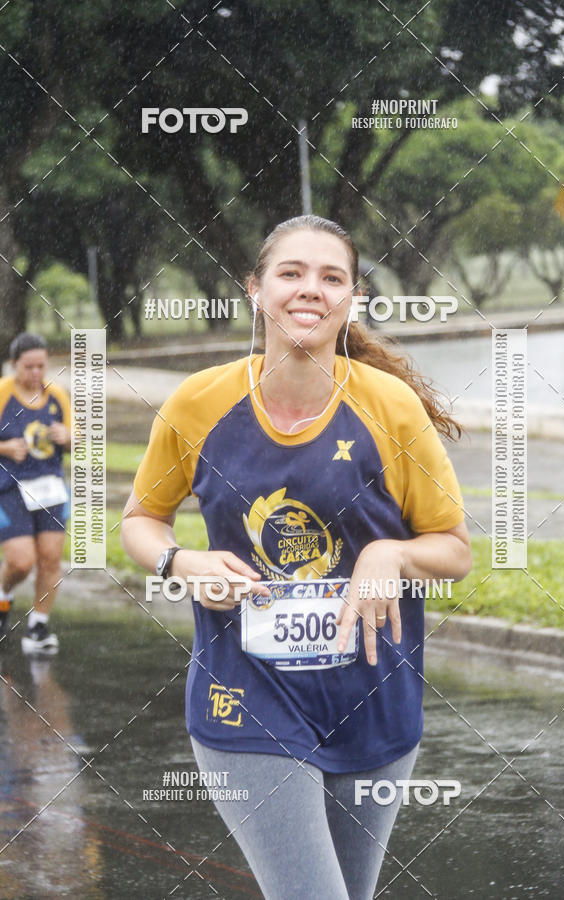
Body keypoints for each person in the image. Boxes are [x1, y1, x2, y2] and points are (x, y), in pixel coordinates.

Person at [121, 215, 472, 899]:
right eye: (291, 272)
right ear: (256, 289)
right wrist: (180, 565)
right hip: (245, 703)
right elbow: (141, 521)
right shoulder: (198, 403)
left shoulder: (390, 409)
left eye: (331, 276)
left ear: (352, 299)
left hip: (375, 702)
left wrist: (390, 556)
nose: (310, 289)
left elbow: (454, 550)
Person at [0, 333, 71, 654]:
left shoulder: (56, 395)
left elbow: (76, 440)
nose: (36, 373)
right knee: (21, 561)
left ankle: (38, 627)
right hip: (9, 487)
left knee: (51, 558)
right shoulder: (3, 392)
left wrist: (66, 436)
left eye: (41, 365)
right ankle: (3, 594)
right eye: (28, 366)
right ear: (14, 364)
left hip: (50, 487)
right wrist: (4, 447)